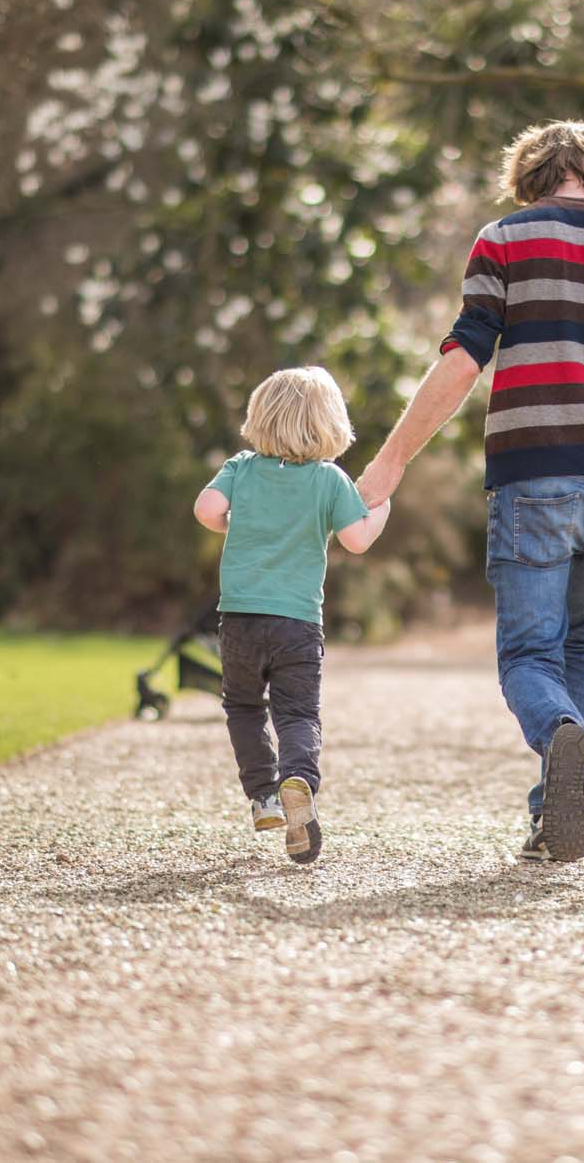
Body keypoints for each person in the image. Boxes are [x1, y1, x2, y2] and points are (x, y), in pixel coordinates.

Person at [357, 120, 584, 863]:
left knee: (530, 654)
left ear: (531, 172)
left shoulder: (504, 239)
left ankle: (559, 736)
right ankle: (552, 806)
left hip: (533, 477)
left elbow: (464, 359)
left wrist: (390, 461)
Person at [193, 366, 391, 864]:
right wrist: (381, 508)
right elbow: (357, 540)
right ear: (331, 423)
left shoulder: (241, 468)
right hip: (298, 624)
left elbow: (205, 509)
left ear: (260, 417)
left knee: (243, 705)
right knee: (298, 714)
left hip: (238, 619)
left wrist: (231, 522)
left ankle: (263, 797)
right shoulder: (329, 480)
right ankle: (297, 778)